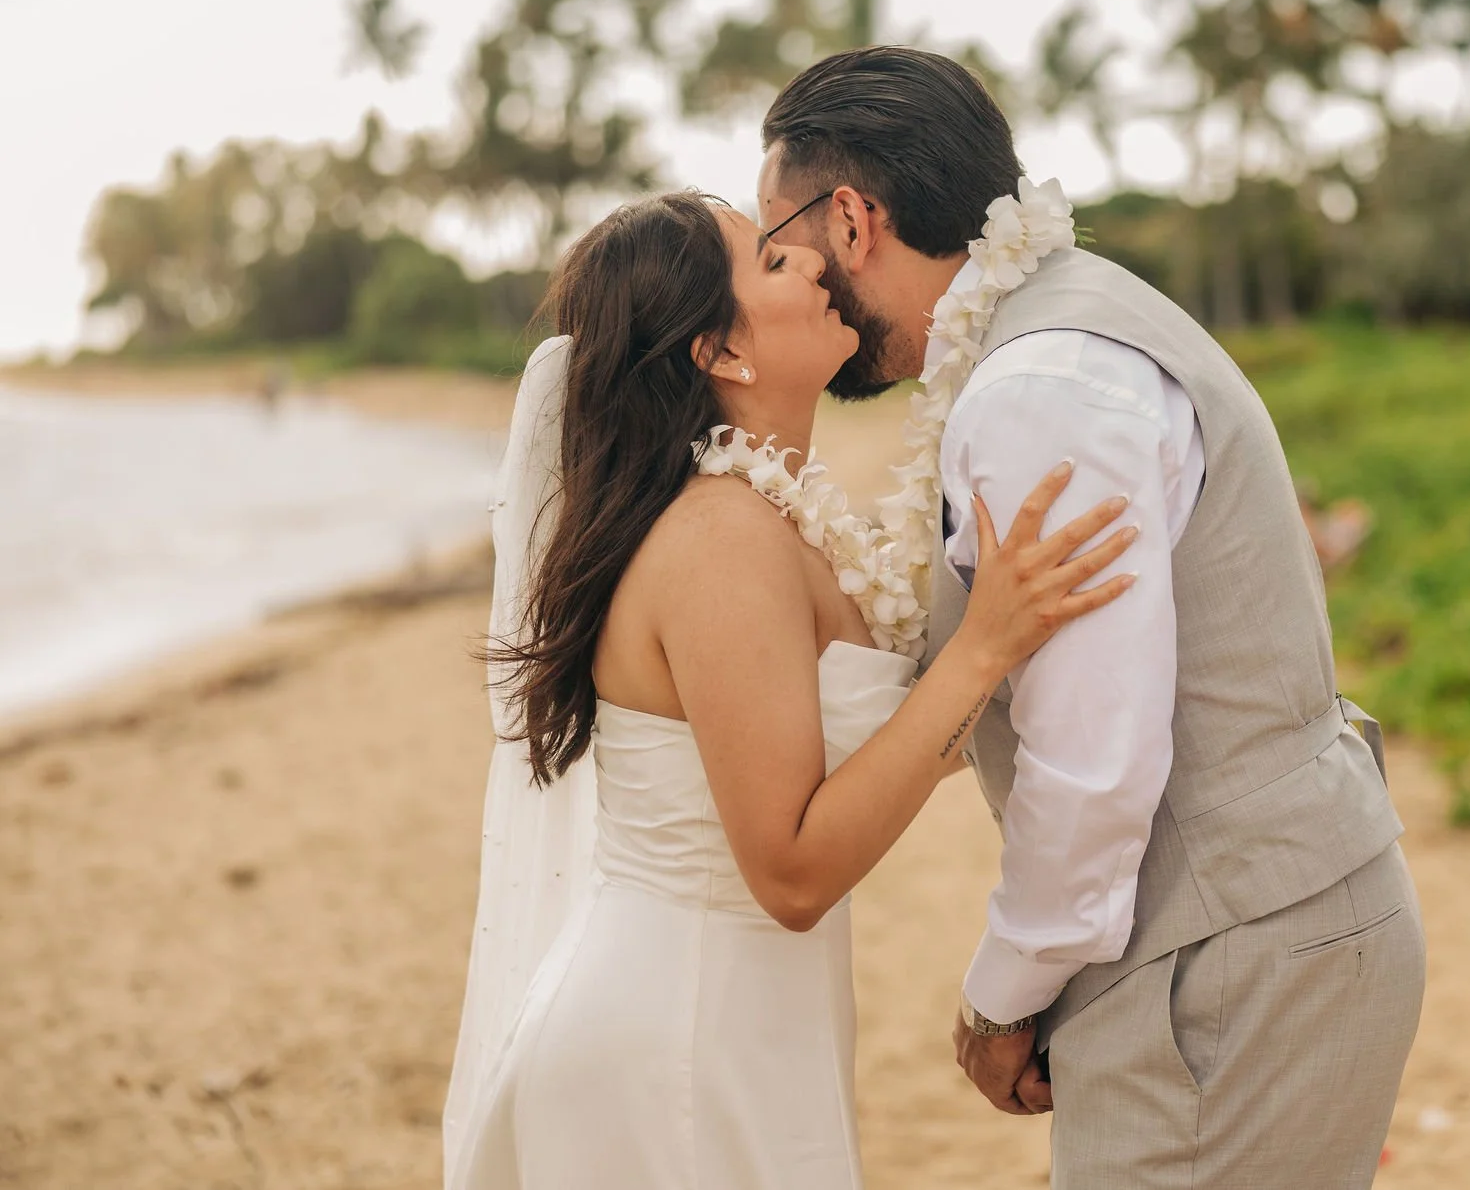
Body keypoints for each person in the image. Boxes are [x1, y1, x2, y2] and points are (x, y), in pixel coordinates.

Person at [757, 46, 1426, 1187]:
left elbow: (1094, 757)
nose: (785, 274)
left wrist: (1003, 990)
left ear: (853, 220)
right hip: (1263, 923)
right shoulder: (1067, 332)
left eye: (782, 243)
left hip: (1227, 960)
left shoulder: (1037, 389)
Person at [441, 190, 1137, 1190]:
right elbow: (793, 873)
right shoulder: (720, 539)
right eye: (769, 265)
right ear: (716, 355)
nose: (810, 265)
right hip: (675, 1031)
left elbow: (867, 766)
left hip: (745, 1017)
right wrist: (979, 650)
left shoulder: (771, 520)